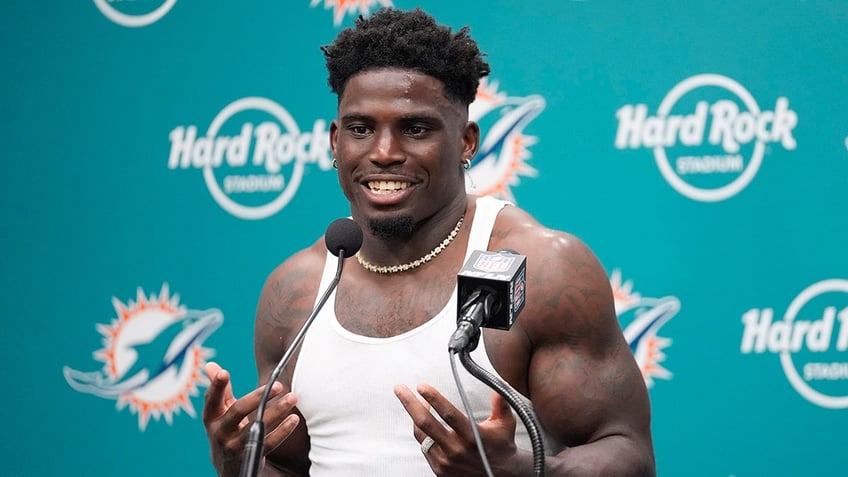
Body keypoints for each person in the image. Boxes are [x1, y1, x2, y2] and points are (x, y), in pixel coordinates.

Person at [202, 7, 655, 476]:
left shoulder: (538, 268)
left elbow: (630, 456)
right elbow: (288, 467)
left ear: (467, 142)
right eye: (361, 129)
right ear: (335, 141)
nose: (384, 153)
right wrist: (236, 463)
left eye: (415, 129)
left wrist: (515, 472)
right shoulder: (297, 289)